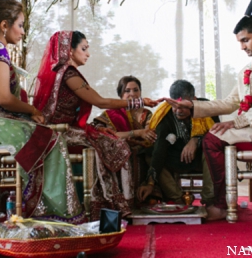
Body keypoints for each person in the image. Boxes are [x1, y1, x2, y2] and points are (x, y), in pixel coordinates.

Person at [0, 0, 84, 223]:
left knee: (44, 135)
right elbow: (4, 98)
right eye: (21, 25)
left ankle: (43, 209)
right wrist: (31, 109)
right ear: (5, 25)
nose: (23, 32)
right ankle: (48, 212)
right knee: (48, 138)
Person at [32, 31, 158, 219]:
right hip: (58, 132)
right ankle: (111, 205)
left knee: (109, 140)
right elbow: (101, 102)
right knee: (115, 145)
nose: (88, 54)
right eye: (83, 48)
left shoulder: (61, 72)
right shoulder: (68, 74)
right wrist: (139, 102)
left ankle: (116, 204)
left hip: (64, 129)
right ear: (69, 50)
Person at [164, 15, 252, 220]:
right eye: (240, 42)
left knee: (211, 139)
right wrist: (192, 105)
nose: (242, 47)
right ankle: (218, 202)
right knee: (213, 134)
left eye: (245, 40)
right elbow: (229, 102)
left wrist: (237, 122)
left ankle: (219, 204)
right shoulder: (248, 69)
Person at [137, 80, 215, 205]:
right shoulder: (164, 116)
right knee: (150, 153)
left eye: (183, 106)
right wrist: (150, 183)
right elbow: (159, 149)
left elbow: (217, 135)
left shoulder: (207, 107)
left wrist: (196, 140)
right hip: (177, 158)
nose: (178, 110)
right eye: (174, 106)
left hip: (201, 158)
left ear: (193, 100)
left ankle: (210, 200)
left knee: (212, 149)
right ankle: (178, 199)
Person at [92, 76, 157, 205]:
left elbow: (150, 138)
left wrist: (134, 139)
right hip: (117, 156)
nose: (132, 94)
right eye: (127, 91)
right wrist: (137, 133)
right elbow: (109, 137)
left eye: (136, 90)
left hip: (143, 155)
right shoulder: (111, 115)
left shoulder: (147, 114)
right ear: (120, 94)